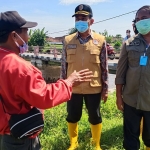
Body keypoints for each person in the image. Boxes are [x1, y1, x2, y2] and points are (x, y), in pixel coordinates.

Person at [0, 11, 93, 150]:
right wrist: (69, 82)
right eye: (26, 32)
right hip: (20, 137)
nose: (28, 37)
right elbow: (44, 96)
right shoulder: (19, 67)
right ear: (14, 36)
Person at [61, 4, 108, 150]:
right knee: (72, 116)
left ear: (91, 21)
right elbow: (64, 66)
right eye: (77, 18)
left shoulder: (100, 40)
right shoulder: (67, 40)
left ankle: (96, 144)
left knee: (95, 116)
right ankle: (73, 143)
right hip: (73, 88)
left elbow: (104, 67)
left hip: (93, 87)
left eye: (84, 18)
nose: (80, 21)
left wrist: (105, 88)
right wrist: (62, 86)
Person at [115, 5, 150, 150]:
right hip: (131, 100)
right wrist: (118, 97)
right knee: (130, 139)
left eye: (144, 18)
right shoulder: (128, 43)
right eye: (137, 19)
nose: (140, 22)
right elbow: (120, 73)